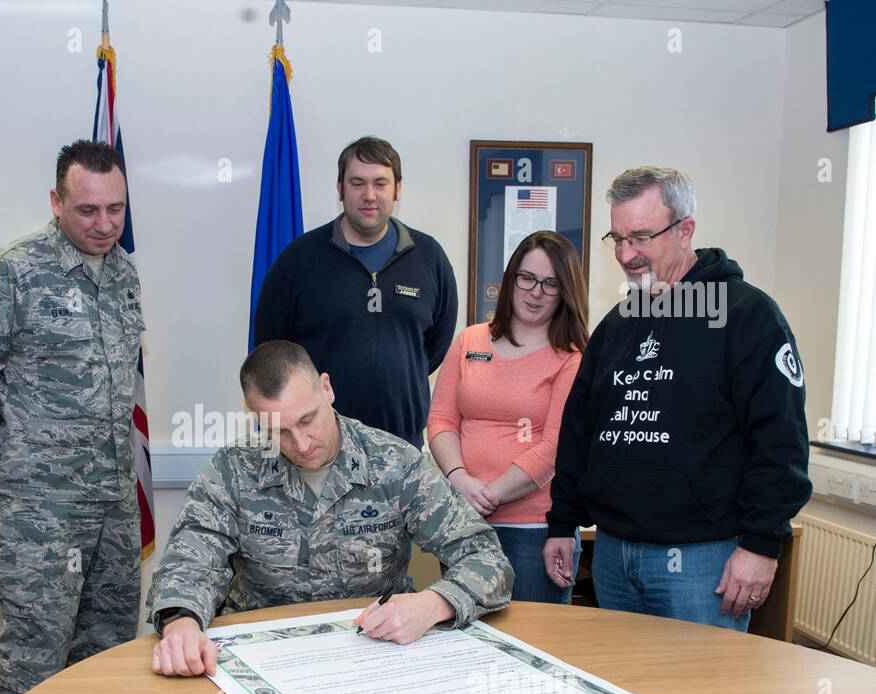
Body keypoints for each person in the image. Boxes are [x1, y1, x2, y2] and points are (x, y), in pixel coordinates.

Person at [544, 166, 811, 630]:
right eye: (618, 238)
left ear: (685, 230)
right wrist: (562, 523)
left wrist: (762, 544)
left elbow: (781, 441)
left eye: (641, 237)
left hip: (703, 562)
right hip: (611, 554)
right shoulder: (617, 326)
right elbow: (579, 431)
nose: (627, 254)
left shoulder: (746, 316)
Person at [148, 341, 513, 677]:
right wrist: (181, 623)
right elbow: (189, 562)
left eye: (307, 420)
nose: (301, 444)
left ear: (326, 388)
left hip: (375, 654)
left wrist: (434, 604)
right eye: (279, 431)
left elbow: (486, 558)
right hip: (264, 660)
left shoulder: (394, 463)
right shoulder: (233, 470)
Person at [0, 140, 144, 694]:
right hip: (40, 507)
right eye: (87, 210)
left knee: (108, 650)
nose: (104, 225)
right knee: (35, 657)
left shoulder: (124, 273)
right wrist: (18, 441)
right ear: (56, 201)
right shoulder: (12, 270)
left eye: (116, 209)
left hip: (113, 501)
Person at [252, 136, 458, 447]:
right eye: (357, 183)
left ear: (397, 189)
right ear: (340, 189)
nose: (369, 195)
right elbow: (272, 349)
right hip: (318, 445)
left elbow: (433, 348)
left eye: (380, 183)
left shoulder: (429, 257)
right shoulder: (298, 259)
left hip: (402, 445)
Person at [428, 231, 589, 603]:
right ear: (511, 279)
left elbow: (554, 447)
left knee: (534, 643)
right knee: (466, 639)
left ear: (565, 291)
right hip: (462, 521)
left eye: (551, 284)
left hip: (532, 529)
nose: (536, 292)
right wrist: (460, 480)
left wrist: (489, 495)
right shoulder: (469, 341)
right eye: (528, 278)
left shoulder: (572, 357)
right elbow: (441, 420)